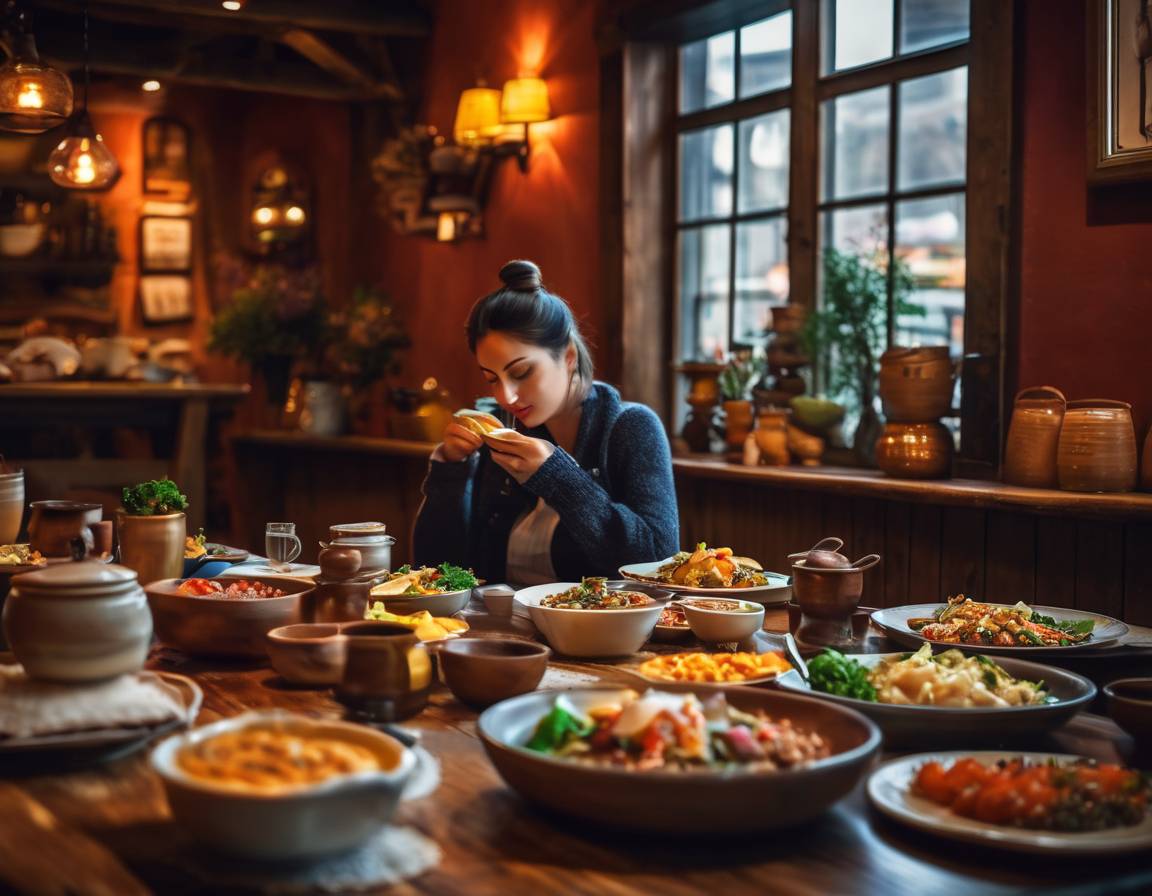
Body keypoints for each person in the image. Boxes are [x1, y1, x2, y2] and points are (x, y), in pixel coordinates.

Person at [413, 259, 678, 585]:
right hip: (495, 617)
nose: (506, 396)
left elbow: (660, 564)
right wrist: (452, 471)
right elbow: (434, 571)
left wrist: (558, 477)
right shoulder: (498, 430)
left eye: (522, 372)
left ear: (568, 357)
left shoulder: (631, 428)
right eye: (492, 379)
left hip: (598, 617)